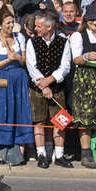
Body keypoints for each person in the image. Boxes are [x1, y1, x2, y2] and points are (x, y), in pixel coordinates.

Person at [26, 10, 73, 168]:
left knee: (59, 122)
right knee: (39, 121)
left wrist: (49, 81)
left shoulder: (63, 41)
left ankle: (59, 155)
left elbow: (65, 67)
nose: (36, 29)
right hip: (37, 88)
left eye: (39, 26)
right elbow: (31, 66)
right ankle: (41, 155)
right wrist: (43, 85)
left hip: (57, 88)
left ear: (49, 27)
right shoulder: (32, 42)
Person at [0, 7, 32, 165]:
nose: (11, 25)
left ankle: (20, 152)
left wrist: (17, 57)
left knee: (20, 111)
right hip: (2, 80)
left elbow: (24, 62)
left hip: (19, 79)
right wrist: (8, 59)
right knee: (2, 113)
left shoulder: (20, 37)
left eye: (12, 22)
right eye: (8, 23)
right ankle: (1, 151)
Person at [69, 1, 96, 168]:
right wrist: (86, 56)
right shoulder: (78, 36)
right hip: (86, 80)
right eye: (92, 20)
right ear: (86, 21)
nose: (95, 22)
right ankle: (86, 154)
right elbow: (76, 59)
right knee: (85, 118)